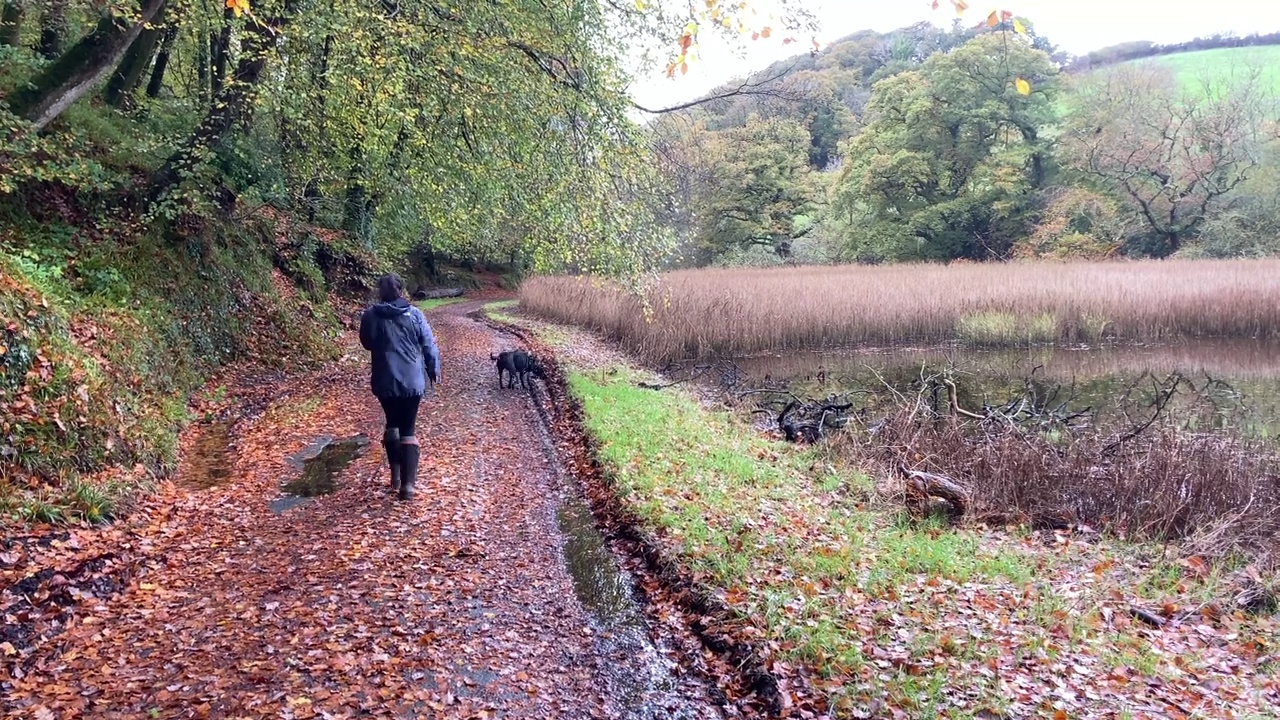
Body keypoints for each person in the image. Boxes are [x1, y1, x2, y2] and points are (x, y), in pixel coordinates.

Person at [359, 273, 440, 501]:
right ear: (401, 290)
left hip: (384, 379)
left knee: (392, 422)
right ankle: (408, 486)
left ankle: (395, 476)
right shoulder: (414, 314)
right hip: (412, 381)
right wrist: (433, 369)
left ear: (379, 292)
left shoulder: (371, 316)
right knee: (408, 428)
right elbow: (428, 345)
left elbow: (366, 343)